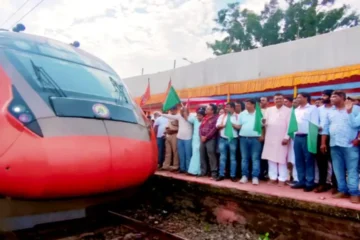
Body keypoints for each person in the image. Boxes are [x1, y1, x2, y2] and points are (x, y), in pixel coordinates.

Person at [321, 91, 360, 203]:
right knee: (338, 169)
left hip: (350, 144)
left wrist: (358, 139)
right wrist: (323, 143)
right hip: (334, 144)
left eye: (334, 96)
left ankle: (354, 193)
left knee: (352, 169)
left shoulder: (356, 109)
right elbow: (325, 128)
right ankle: (342, 190)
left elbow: (358, 125)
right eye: (331, 96)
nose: (331, 98)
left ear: (342, 97)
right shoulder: (329, 112)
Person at [292, 92, 319, 192]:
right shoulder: (296, 110)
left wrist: (312, 138)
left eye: (299, 97)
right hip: (297, 137)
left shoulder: (312, 108)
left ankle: (310, 182)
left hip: (308, 137)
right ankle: (301, 181)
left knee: (309, 160)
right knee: (298, 160)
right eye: (297, 97)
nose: (297, 99)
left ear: (306, 98)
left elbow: (314, 124)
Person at [262, 93, 291, 186]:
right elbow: (264, 122)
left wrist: (286, 137)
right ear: (273, 100)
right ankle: (273, 177)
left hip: (282, 138)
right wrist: (263, 123)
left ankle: (282, 179)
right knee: (271, 158)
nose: (278, 100)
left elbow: (290, 125)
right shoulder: (269, 110)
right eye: (276, 99)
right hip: (270, 137)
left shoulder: (289, 111)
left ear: (283, 100)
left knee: (282, 158)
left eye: (280, 98)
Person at [234, 99, 263, 185]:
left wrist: (262, 135)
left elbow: (263, 126)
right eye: (246, 104)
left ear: (254, 105)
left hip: (256, 139)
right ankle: (244, 176)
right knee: (244, 158)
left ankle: (255, 177)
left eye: (249, 104)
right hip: (243, 138)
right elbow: (239, 126)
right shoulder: (242, 114)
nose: (247, 106)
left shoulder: (260, 114)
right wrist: (231, 124)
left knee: (255, 158)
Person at [161, 107, 193, 173]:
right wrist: (161, 114)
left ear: (187, 111)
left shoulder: (191, 117)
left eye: (184, 111)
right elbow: (169, 116)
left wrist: (186, 117)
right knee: (181, 154)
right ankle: (182, 168)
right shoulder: (179, 116)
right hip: (180, 138)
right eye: (181, 111)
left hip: (188, 138)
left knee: (187, 154)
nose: (182, 112)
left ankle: (188, 169)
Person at [316, 90, 335, 193]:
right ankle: (322, 183)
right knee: (321, 162)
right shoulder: (319, 109)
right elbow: (316, 122)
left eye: (325, 96)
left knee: (334, 162)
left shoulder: (336, 109)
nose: (323, 97)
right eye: (322, 95)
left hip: (333, 137)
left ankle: (334, 185)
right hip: (320, 137)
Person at [216, 102, 238, 182]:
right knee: (222, 158)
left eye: (228, 107)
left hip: (233, 139)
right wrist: (224, 125)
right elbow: (217, 126)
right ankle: (221, 174)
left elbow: (240, 127)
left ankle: (233, 175)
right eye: (226, 107)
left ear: (232, 108)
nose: (226, 108)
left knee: (233, 158)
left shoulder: (237, 116)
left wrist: (232, 125)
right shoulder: (222, 116)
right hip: (223, 138)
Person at [199, 104, 218, 179]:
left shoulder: (216, 118)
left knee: (211, 155)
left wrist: (206, 137)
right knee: (202, 155)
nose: (206, 110)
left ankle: (214, 173)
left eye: (208, 109)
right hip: (202, 139)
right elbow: (200, 128)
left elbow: (214, 129)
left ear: (212, 111)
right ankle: (203, 171)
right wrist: (201, 136)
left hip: (210, 139)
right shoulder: (205, 118)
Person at [187, 107, 206, 176]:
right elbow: (187, 117)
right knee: (195, 154)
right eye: (197, 115)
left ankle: (198, 171)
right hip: (195, 140)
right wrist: (185, 109)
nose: (198, 117)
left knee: (199, 155)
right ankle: (192, 170)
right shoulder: (194, 120)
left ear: (203, 116)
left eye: (200, 115)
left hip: (201, 140)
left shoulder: (205, 121)